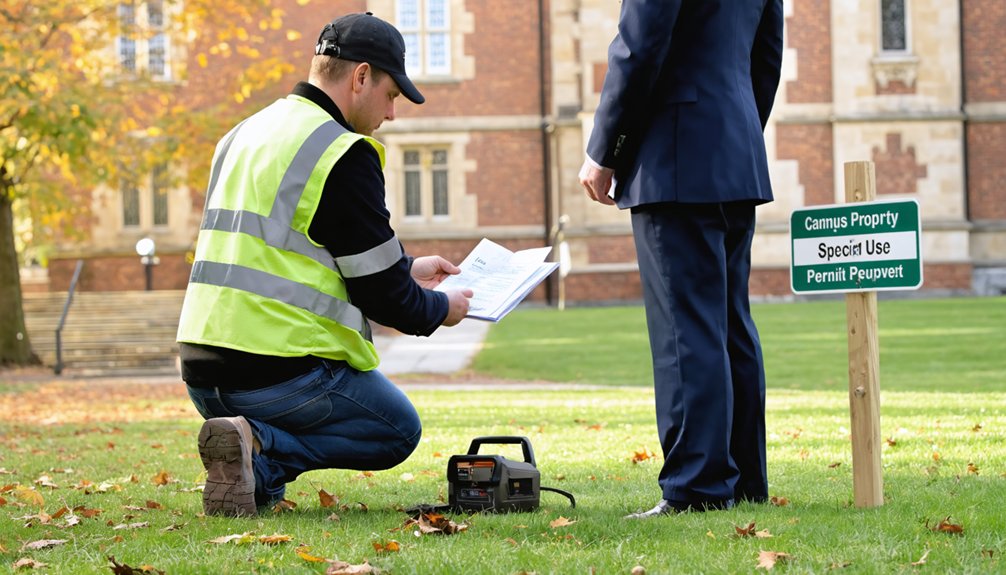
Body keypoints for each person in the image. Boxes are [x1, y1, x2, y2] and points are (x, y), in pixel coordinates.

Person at [176, 12, 473, 517]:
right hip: (277, 378)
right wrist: (441, 308)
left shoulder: (244, 133)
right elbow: (387, 300)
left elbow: (298, 248)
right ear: (361, 77)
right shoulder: (342, 152)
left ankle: (251, 461)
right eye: (392, 94)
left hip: (202, 373)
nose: (392, 114)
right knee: (396, 429)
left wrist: (408, 268)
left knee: (279, 442)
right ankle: (261, 453)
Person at [579, 0, 784, 516]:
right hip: (733, 154)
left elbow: (638, 46)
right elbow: (767, 57)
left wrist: (605, 150)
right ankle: (742, 480)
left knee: (684, 329)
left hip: (673, 157)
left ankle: (696, 486)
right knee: (730, 323)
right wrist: (732, 131)